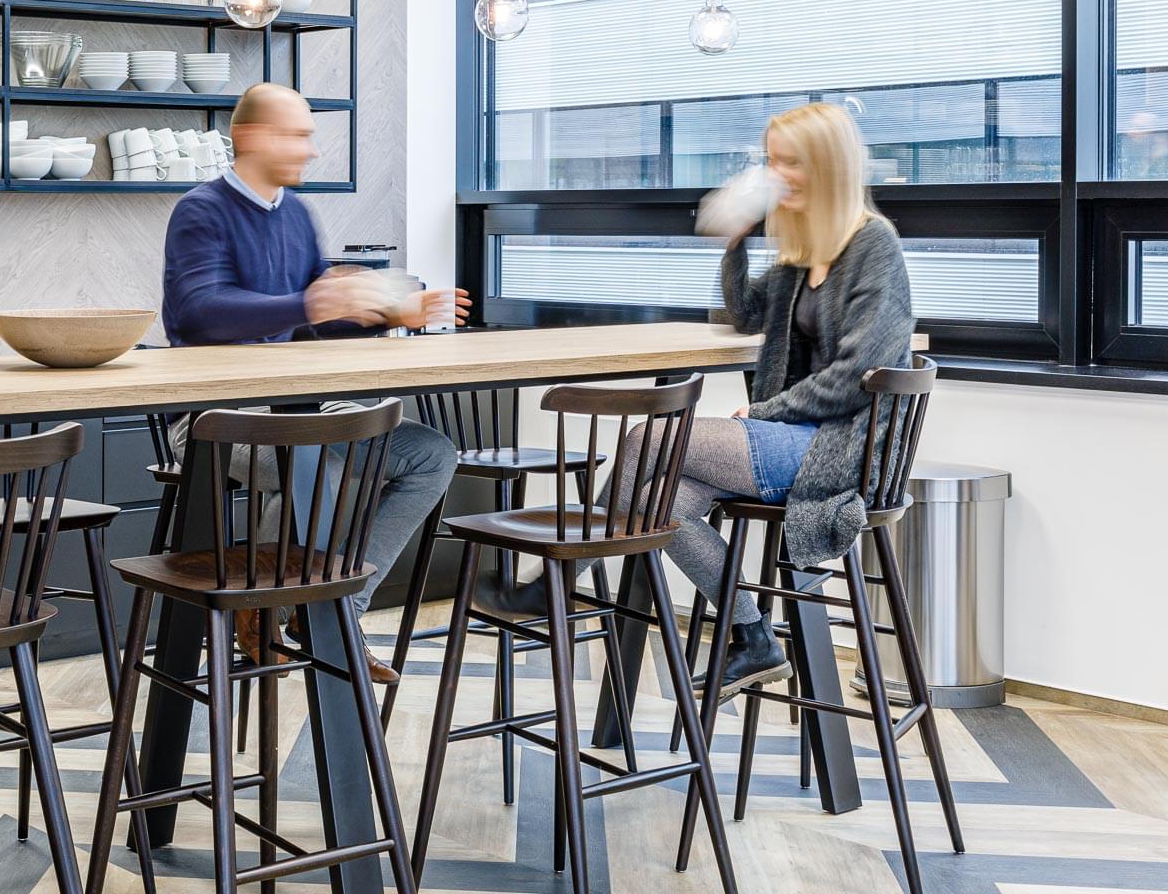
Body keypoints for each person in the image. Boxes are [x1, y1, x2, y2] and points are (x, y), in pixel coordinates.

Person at [485, 102, 914, 701]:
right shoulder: (806, 253)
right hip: (793, 439)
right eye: (771, 161)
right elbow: (741, 314)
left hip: (836, 449)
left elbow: (857, 376)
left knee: (644, 443)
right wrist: (736, 239)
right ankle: (752, 637)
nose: (775, 173)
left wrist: (765, 412)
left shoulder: (874, 248)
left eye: (788, 162)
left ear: (826, 167)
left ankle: (553, 585)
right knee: (665, 504)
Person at [162, 82, 469, 682]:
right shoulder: (200, 210)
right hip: (213, 424)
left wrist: (387, 315)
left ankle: (331, 607)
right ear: (251, 137)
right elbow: (200, 311)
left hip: (295, 414)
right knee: (321, 455)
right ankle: (276, 605)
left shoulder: (297, 215)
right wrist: (310, 301)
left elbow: (313, 324)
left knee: (431, 454)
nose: (311, 150)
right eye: (298, 135)